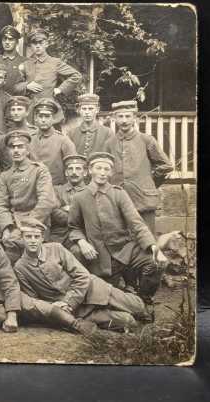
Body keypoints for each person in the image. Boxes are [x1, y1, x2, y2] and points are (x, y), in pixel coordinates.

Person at [68, 152, 167, 321]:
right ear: (90, 170)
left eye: (107, 169)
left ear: (111, 173)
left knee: (156, 263)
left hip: (125, 250)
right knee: (107, 297)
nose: (102, 172)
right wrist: (82, 241)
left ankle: (144, 299)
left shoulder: (119, 193)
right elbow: (73, 227)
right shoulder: (80, 197)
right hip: (99, 256)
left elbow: (136, 222)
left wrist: (154, 248)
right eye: (98, 168)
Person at [15, 217, 149, 333]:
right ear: (22, 238)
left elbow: (82, 275)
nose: (33, 241)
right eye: (28, 236)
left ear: (42, 238)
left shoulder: (56, 248)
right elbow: (35, 300)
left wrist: (68, 302)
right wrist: (57, 307)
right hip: (77, 311)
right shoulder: (20, 267)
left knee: (138, 307)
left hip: (92, 289)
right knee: (128, 321)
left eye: (36, 236)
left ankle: (141, 308)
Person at [104, 100, 173, 236]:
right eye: (120, 116)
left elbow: (166, 166)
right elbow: (105, 169)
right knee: (121, 239)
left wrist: (149, 179)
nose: (124, 121)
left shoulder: (146, 140)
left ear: (135, 118)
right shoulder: (109, 143)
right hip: (118, 198)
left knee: (147, 239)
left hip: (143, 199)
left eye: (128, 116)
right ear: (114, 119)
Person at [0, 130, 57, 265]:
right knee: (4, 258)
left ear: (28, 150)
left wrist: (25, 227)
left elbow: (46, 202)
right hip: (14, 224)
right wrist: (6, 228)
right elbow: (0, 205)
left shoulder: (39, 170)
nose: (16, 150)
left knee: (34, 259)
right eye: (12, 147)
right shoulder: (5, 176)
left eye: (20, 146)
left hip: (37, 223)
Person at [14, 28, 82, 105]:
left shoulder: (55, 62)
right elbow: (16, 87)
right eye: (34, 43)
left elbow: (76, 76)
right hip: (31, 108)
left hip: (49, 106)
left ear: (46, 44)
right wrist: (26, 86)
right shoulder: (25, 64)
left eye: (41, 43)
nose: (38, 46)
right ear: (30, 46)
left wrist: (60, 89)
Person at [31, 98, 77, 185]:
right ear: (36, 118)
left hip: (55, 188)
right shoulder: (29, 139)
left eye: (47, 116)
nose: (43, 120)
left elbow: (72, 167)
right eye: (40, 116)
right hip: (32, 188)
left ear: (53, 118)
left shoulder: (63, 140)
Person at [49, 154, 88, 251]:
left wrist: (68, 209)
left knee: (77, 251)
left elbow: (91, 217)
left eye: (78, 169)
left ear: (85, 172)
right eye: (70, 169)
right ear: (66, 172)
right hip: (58, 236)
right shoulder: (56, 190)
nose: (74, 172)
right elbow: (54, 213)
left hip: (82, 235)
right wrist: (78, 213)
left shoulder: (90, 192)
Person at [0, 25, 26, 96]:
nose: (7, 42)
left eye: (11, 39)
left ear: (17, 42)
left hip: (17, 102)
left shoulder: (25, 62)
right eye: (4, 39)